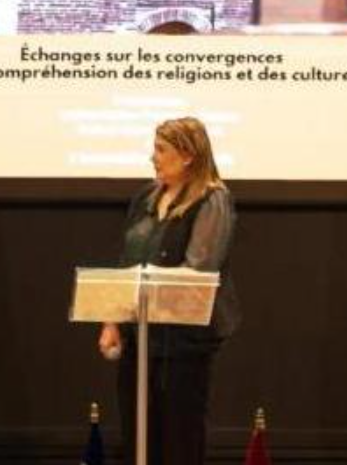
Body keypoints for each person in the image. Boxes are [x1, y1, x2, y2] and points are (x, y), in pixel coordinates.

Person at [97, 117, 240, 465]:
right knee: (138, 438)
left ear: (188, 155)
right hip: (139, 339)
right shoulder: (145, 197)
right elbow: (126, 261)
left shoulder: (212, 200)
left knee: (179, 441)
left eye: (161, 150)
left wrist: (149, 285)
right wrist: (111, 320)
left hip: (183, 346)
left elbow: (198, 272)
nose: (153, 157)